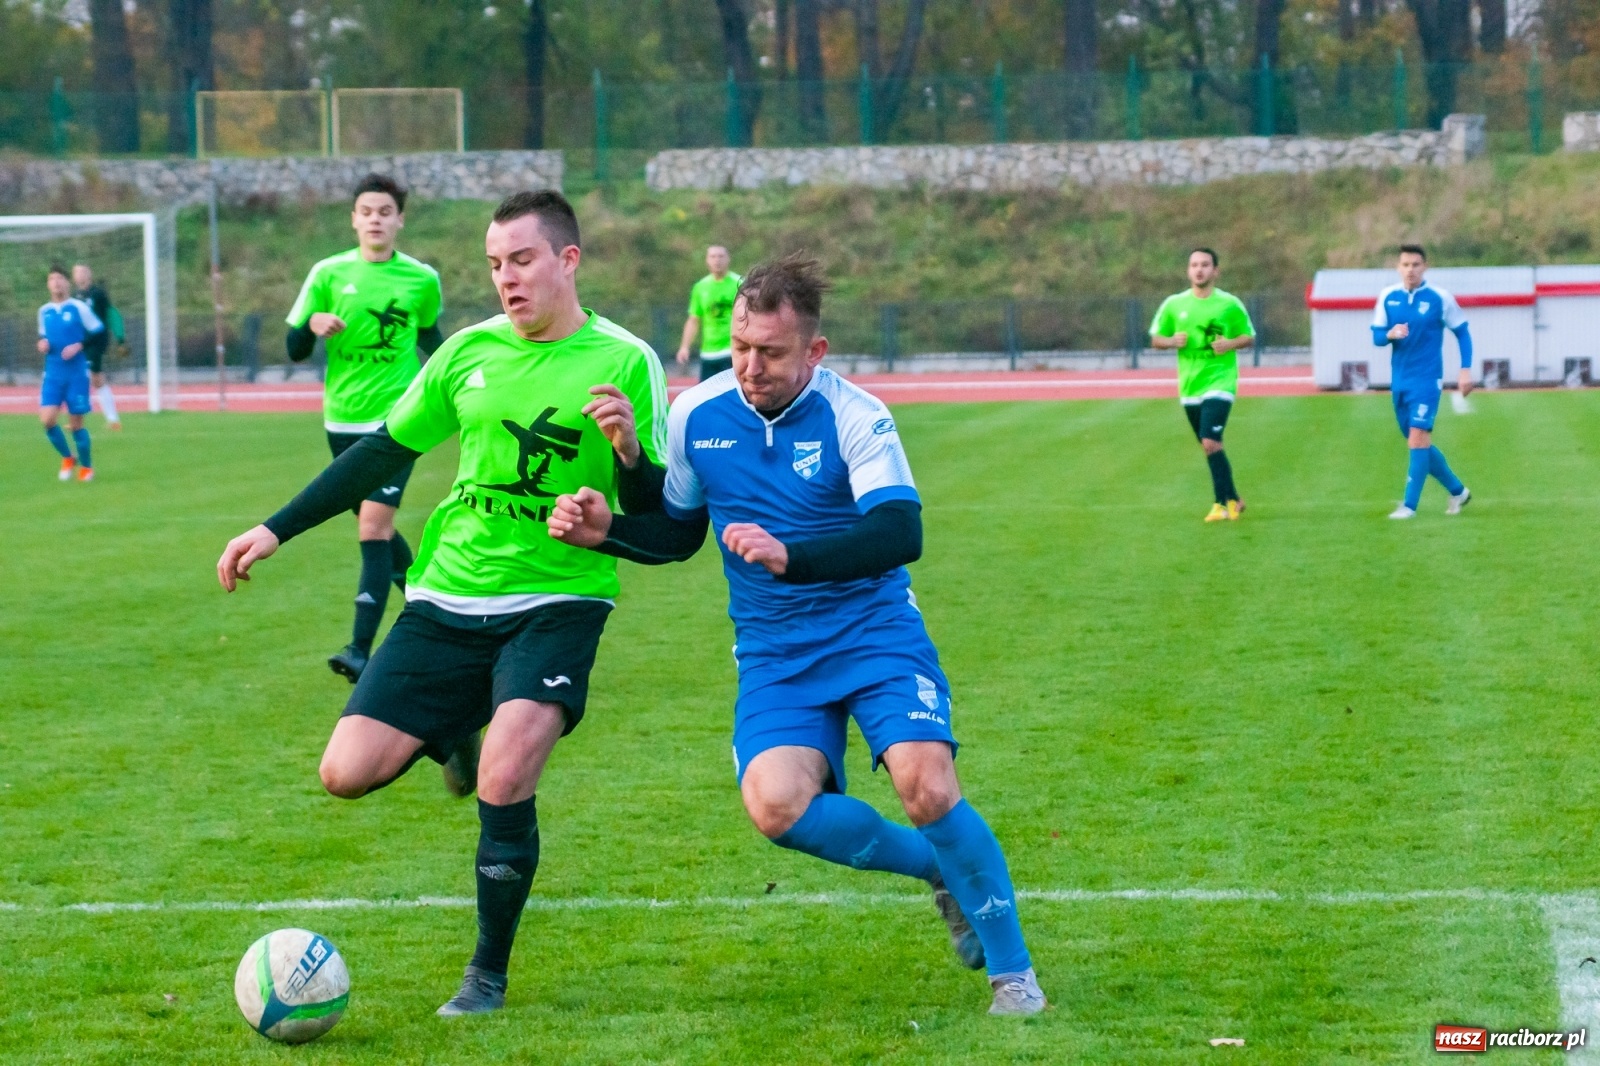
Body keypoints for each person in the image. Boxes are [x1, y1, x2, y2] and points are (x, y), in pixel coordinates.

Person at [548, 252, 1047, 1017]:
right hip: (776, 654)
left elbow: (899, 530)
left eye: (770, 353)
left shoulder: (857, 414)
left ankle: (1013, 976)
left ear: (813, 351)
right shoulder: (698, 413)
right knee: (775, 806)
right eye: (742, 347)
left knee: (927, 783)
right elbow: (676, 531)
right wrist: (611, 516)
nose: (750, 366)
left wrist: (794, 557)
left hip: (874, 634)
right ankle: (936, 868)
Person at [218, 190, 669, 1018]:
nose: (506, 279)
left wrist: (630, 455)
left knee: (505, 777)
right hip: (445, 595)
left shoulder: (628, 360)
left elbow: (656, 510)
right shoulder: (467, 353)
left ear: (568, 260)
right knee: (344, 774)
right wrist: (275, 529)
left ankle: (485, 978)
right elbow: (380, 451)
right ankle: (455, 724)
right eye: (495, 264)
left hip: (558, 599)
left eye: (522, 260)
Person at [284, 173, 446, 683]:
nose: (375, 219)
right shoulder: (328, 274)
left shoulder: (421, 279)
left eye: (385, 211)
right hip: (341, 420)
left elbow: (432, 341)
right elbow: (293, 349)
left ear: (400, 219)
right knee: (381, 531)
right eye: (366, 211)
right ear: (353, 219)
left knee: (372, 526)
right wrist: (311, 327)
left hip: (396, 420)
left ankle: (359, 649)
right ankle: (437, 609)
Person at [1148, 248, 1257, 521]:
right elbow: (1156, 338)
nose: (1199, 270)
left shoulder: (1229, 304)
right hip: (1189, 385)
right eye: (1194, 265)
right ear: (1188, 271)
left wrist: (1230, 344)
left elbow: (1249, 336)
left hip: (1220, 380)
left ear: (1215, 271)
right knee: (1210, 445)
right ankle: (1236, 498)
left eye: (1205, 265)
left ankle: (1221, 504)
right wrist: (1172, 341)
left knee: (1210, 440)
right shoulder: (1174, 304)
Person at [1370, 244, 1473, 519]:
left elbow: (1462, 332)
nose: (1410, 270)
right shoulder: (1388, 297)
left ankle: (1409, 506)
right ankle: (1458, 491)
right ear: (1398, 267)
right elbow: (1377, 338)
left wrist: (1465, 370)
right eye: (1405, 265)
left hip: (1427, 380)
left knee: (1417, 439)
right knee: (1418, 442)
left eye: (1415, 264)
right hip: (1400, 381)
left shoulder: (1440, 298)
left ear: (1424, 266)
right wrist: (1390, 333)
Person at [38, 264, 104, 482]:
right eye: (52, 279)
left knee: (76, 424)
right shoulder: (44, 311)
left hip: (76, 375)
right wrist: (43, 344)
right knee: (47, 420)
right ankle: (68, 457)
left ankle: (86, 467)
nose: (56, 282)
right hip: (53, 375)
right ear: (48, 284)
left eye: (60, 278)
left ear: (67, 282)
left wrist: (79, 346)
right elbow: (43, 337)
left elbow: (98, 332)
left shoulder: (78, 307)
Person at [675, 244, 741, 381]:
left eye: (721, 256)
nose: (717, 260)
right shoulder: (700, 287)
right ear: (707, 260)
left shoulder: (739, 284)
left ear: (728, 259)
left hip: (732, 351)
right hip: (708, 353)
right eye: (713, 256)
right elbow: (694, 319)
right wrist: (684, 347)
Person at [71, 263, 125, 430]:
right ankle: (111, 420)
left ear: (89, 275)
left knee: (92, 377)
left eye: (82, 272)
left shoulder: (98, 294)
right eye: (76, 272)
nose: (79, 275)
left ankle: (112, 419)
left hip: (96, 341)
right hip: (80, 342)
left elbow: (111, 313)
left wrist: (120, 338)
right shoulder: (74, 296)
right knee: (92, 379)